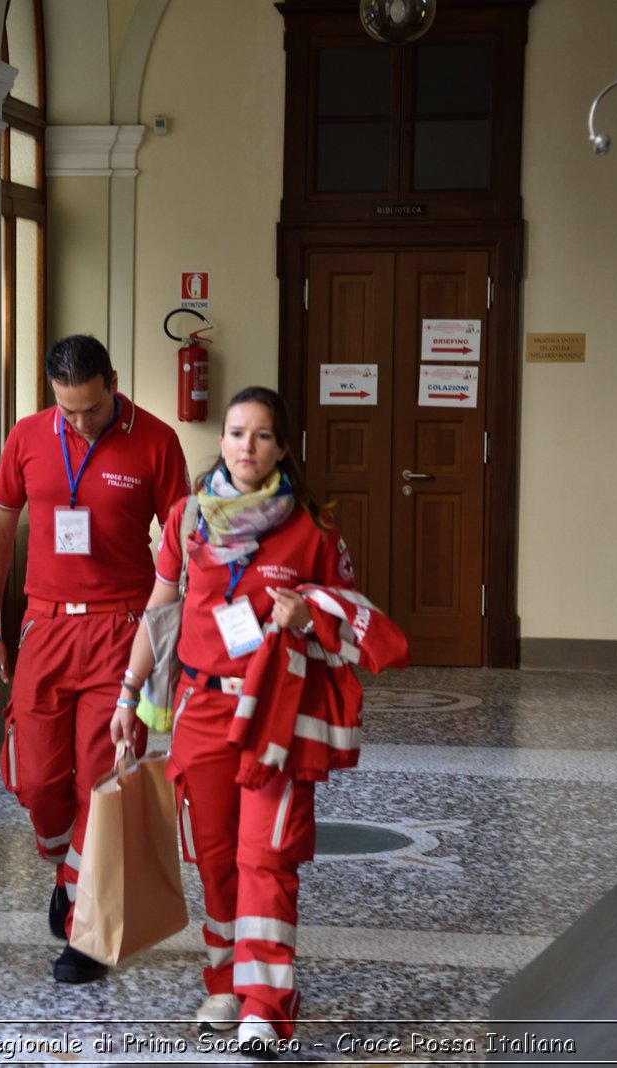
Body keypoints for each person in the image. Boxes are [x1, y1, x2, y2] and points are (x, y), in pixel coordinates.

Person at [111, 386, 407, 1058]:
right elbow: (159, 615)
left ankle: (268, 1006)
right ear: (221, 441)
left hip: (277, 711)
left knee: (265, 858)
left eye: (263, 435)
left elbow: (351, 616)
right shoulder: (189, 520)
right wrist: (128, 699)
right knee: (215, 859)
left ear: (282, 448)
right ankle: (225, 982)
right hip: (202, 710)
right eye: (237, 433)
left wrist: (308, 615)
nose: (248, 446)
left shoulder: (313, 526)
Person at [0, 334, 190, 983]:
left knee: (99, 781)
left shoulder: (155, 442)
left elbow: (184, 545)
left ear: (114, 384)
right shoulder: (26, 438)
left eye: (91, 410)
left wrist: (171, 649)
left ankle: (86, 932)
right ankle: (64, 865)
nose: (78, 422)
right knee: (40, 782)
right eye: (67, 410)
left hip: (119, 628)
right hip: (44, 626)